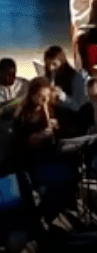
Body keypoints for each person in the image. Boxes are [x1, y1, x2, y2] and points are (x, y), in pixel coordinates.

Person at [12, 78, 78, 221]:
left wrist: (59, 128)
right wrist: (39, 136)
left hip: (51, 157)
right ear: (32, 95)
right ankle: (46, 214)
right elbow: (21, 145)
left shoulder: (52, 109)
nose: (45, 101)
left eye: (47, 96)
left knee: (71, 168)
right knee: (59, 178)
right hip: (33, 161)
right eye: (41, 97)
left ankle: (62, 207)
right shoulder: (22, 115)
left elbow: (69, 129)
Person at [42, 46, 86, 112]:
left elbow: (79, 106)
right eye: (48, 64)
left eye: (54, 64)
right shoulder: (50, 75)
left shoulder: (76, 77)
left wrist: (63, 97)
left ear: (62, 62)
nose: (51, 68)